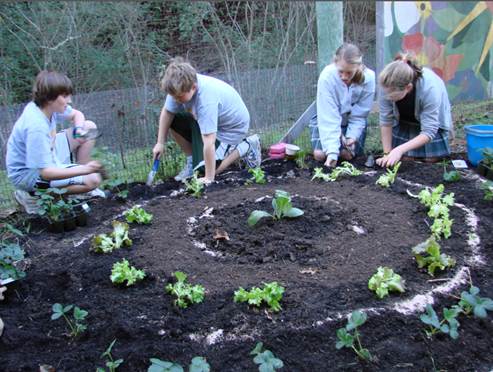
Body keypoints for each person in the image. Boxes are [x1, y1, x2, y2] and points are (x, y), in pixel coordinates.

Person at [6, 70, 104, 214]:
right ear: (50, 98)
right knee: (93, 180)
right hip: (28, 174)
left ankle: (76, 174)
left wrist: (78, 130)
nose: (69, 100)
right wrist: (87, 170)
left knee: (88, 127)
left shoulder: (46, 107)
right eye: (65, 96)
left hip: (48, 150)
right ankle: (33, 196)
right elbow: (46, 173)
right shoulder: (36, 126)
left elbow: (77, 114)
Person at [152, 57, 261, 184]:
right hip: (207, 122)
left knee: (204, 170)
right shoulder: (178, 86)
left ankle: (246, 145)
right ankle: (191, 161)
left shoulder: (206, 100)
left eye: (179, 97)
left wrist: (209, 177)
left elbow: (209, 142)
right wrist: (160, 143)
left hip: (231, 129)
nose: (175, 100)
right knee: (174, 119)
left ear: (194, 87)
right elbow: (167, 112)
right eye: (173, 97)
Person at [376, 52, 453, 168]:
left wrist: (399, 150)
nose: (388, 98)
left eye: (392, 96)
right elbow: (386, 121)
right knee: (406, 159)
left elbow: (429, 131)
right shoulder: (386, 85)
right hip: (405, 123)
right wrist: (387, 153)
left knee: (430, 160)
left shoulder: (429, 88)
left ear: (408, 88)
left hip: (430, 126)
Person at [310, 43, 376, 168]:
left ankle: (346, 148)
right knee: (320, 155)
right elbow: (328, 115)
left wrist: (352, 136)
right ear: (335, 63)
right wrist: (332, 153)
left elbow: (360, 114)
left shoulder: (369, 78)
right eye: (341, 71)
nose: (344, 77)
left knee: (347, 155)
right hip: (327, 119)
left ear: (358, 67)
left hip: (351, 122)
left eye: (349, 73)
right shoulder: (327, 77)